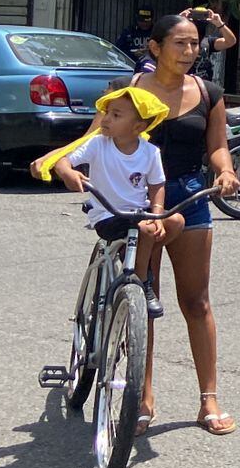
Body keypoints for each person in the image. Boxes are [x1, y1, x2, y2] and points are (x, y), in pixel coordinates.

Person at [85, 14, 240, 435]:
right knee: (141, 303)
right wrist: (63, 163)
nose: (190, 52)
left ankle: (208, 399)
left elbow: (218, 147)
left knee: (197, 301)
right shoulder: (132, 90)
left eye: (195, 44)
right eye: (180, 43)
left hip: (189, 198)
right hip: (138, 201)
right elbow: (96, 134)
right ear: (155, 47)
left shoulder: (208, 93)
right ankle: (142, 396)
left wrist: (225, 172)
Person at [46, 87, 172, 319]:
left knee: (176, 221)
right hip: (107, 215)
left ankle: (138, 269)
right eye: (107, 113)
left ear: (138, 127)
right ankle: (142, 281)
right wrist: (68, 173)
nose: (105, 119)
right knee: (144, 228)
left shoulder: (150, 152)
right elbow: (64, 160)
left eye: (116, 115)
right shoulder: (98, 144)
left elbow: (157, 186)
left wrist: (158, 214)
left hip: (140, 214)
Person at [184, 7, 237, 84]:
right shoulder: (180, 40)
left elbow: (231, 41)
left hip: (202, 84)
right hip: (182, 83)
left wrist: (219, 23)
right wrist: (178, 20)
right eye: (195, 15)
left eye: (203, 15)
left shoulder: (208, 42)